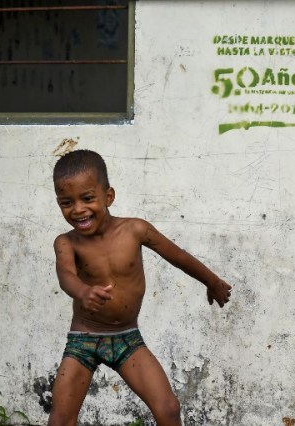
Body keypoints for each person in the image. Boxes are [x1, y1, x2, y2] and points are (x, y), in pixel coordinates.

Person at [48, 149, 232, 426]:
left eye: (87, 198)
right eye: (66, 202)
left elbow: (178, 256)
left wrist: (212, 281)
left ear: (108, 196)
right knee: (61, 419)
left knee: (168, 408)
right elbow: (66, 276)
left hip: (127, 338)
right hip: (83, 339)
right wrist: (83, 291)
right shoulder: (66, 242)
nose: (78, 209)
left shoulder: (135, 230)